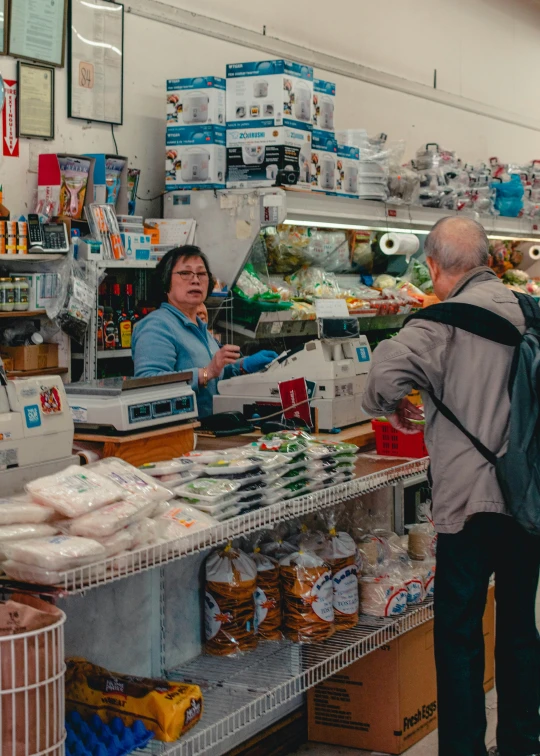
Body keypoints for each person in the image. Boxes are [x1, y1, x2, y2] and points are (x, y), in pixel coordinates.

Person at [362, 217, 540, 756]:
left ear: (435, 267)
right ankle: (523, 741)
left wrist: (396, 411)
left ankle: (463, 747)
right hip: (529, 498)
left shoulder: (437, 322)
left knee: (460, 632)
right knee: (518, 625)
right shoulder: (531, 309)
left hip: (468, 504)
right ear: (487, 259)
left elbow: (379, 383)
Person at [132, 246, 277, 417]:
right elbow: (149, 384)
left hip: (208, 430)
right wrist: (207, 372)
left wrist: (240, 367)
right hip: (177, 435)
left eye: (201, 274)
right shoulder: (156, 326)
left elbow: (215, 376)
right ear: (165, 282)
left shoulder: (200, 327)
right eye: (185, 273)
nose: (195, 280)